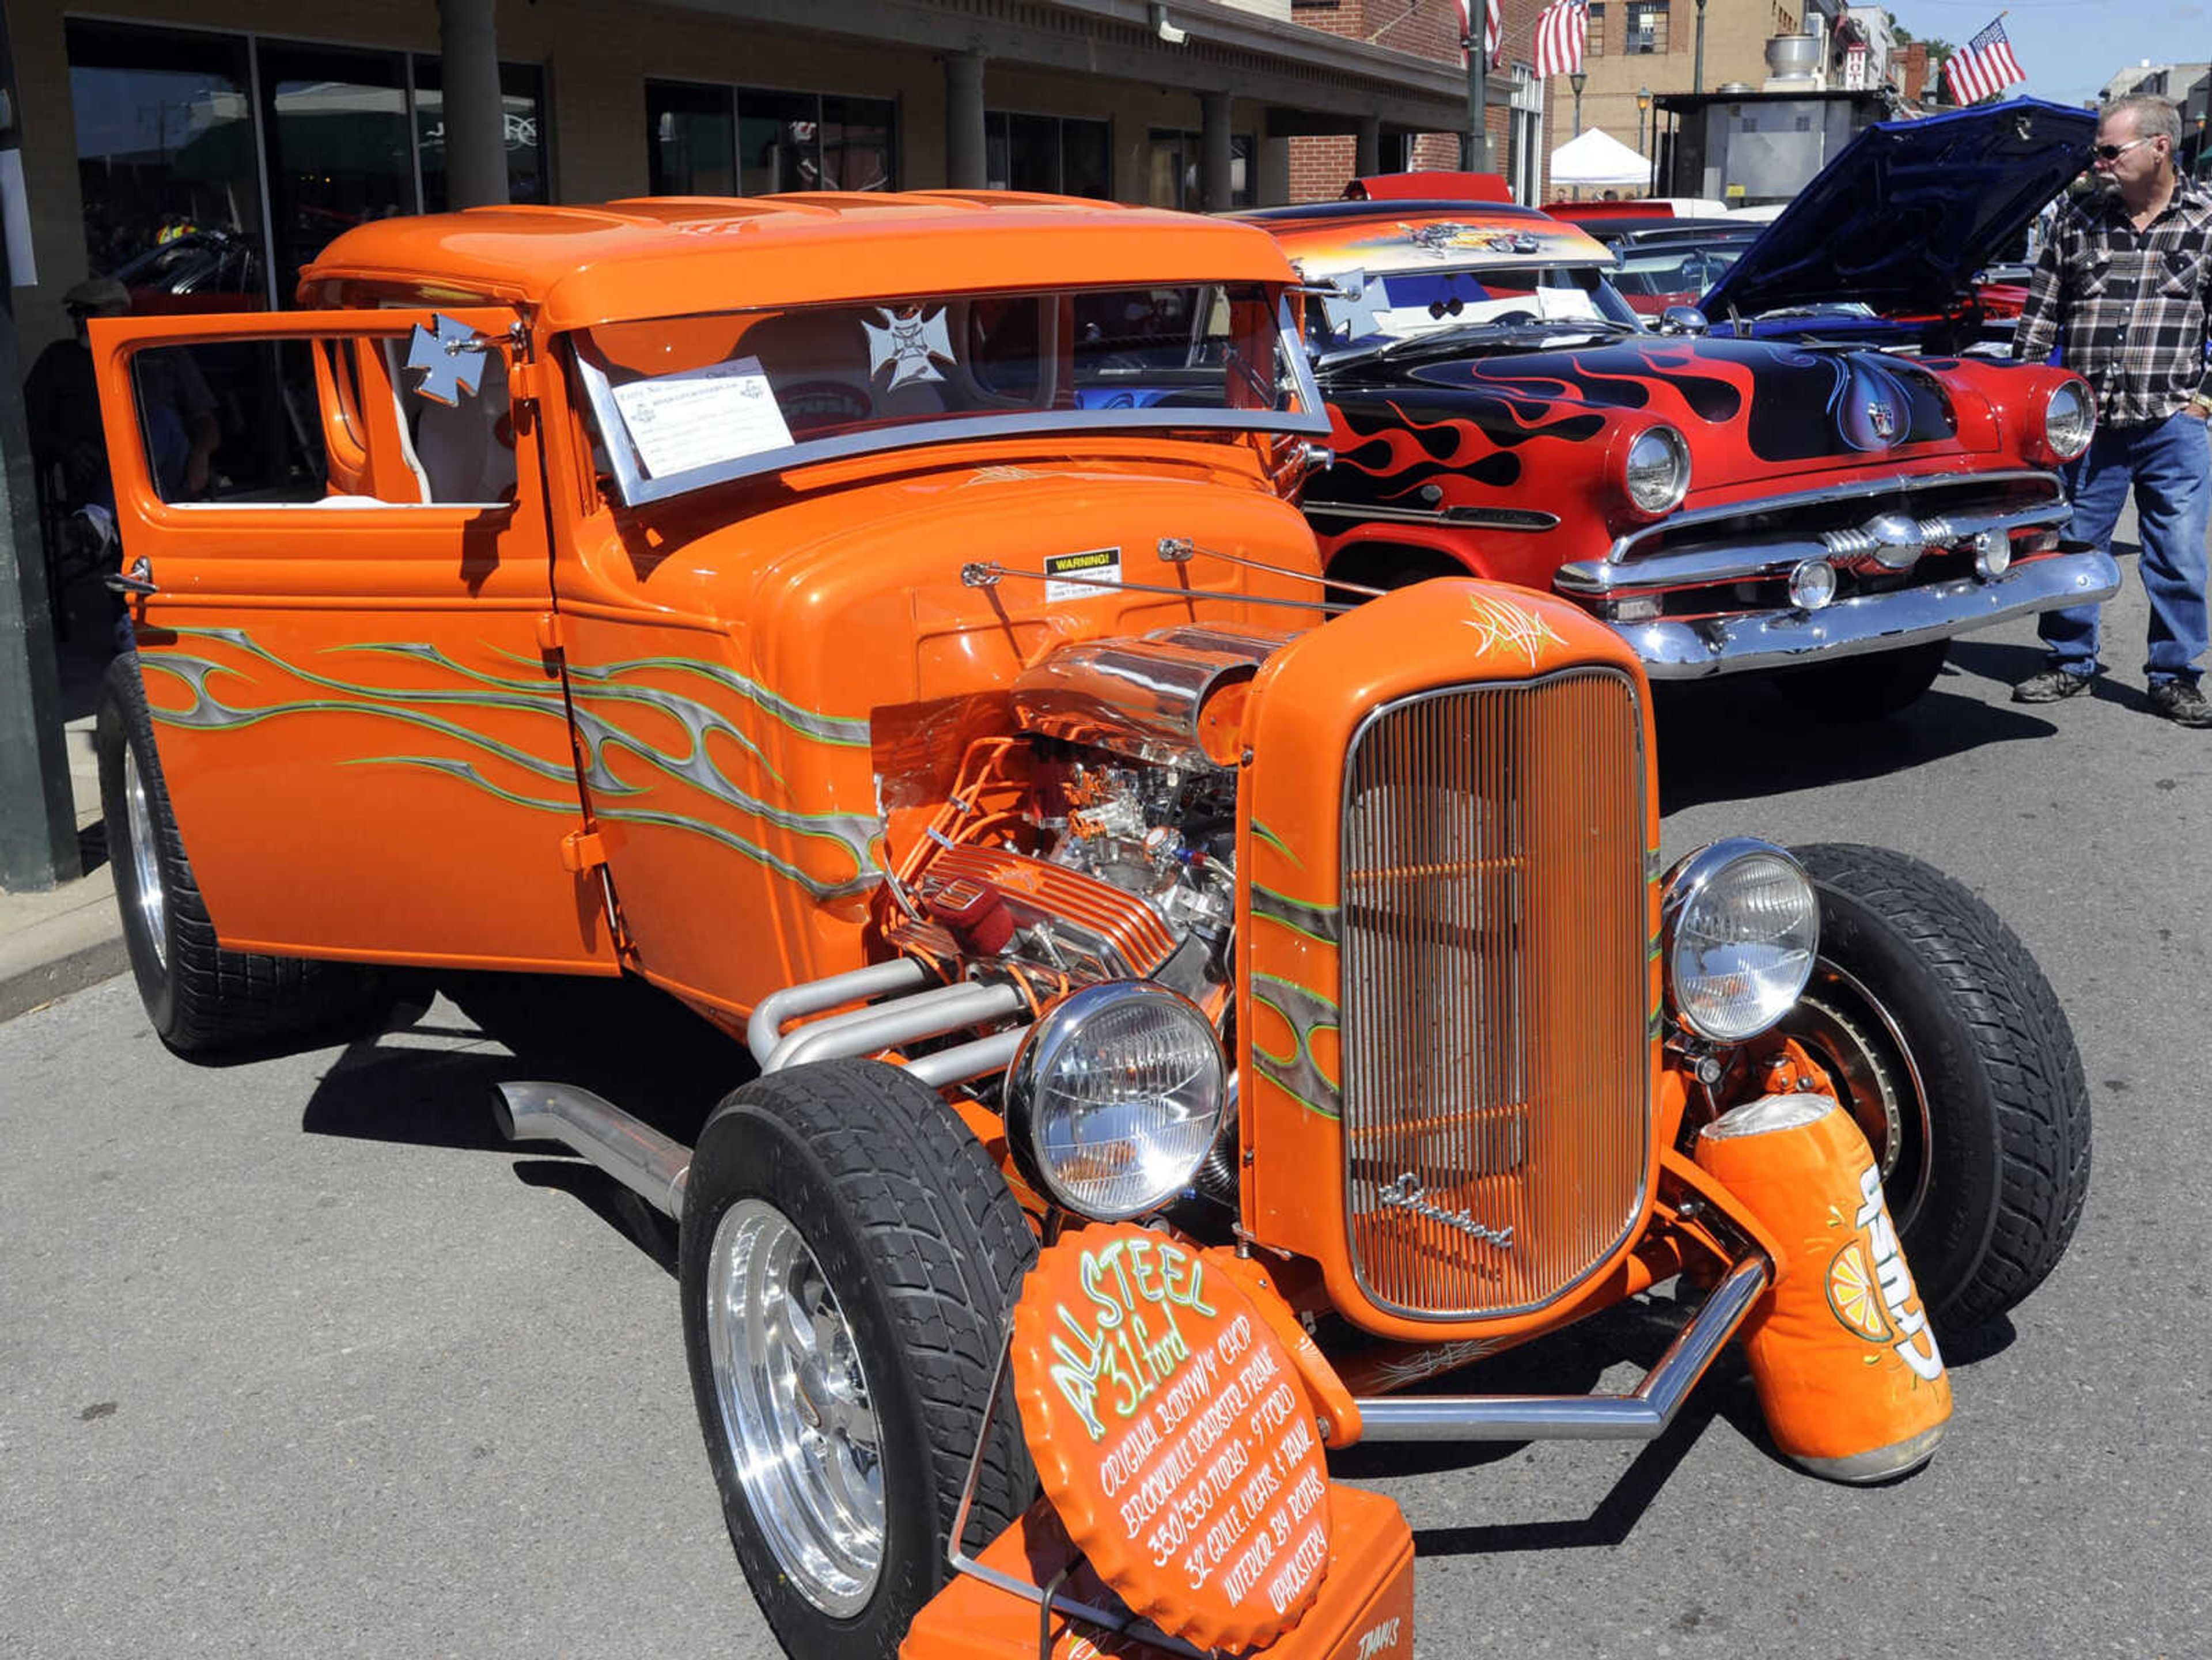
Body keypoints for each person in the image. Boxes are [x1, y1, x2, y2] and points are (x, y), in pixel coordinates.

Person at [2011, 94, 2212, 727]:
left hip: (2173, 421)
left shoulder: (2207, 220)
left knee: (2178, 553)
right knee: (2074, 543)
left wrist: (2203, 402)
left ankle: (2175, 674)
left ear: (2160, 147)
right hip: (2089, 423)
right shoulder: (2079, 218)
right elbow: (2039, 315)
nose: (2097, 163)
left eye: (2109, 151)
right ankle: (2070, 659)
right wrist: (2029, 402)